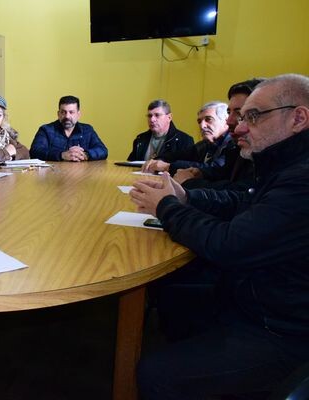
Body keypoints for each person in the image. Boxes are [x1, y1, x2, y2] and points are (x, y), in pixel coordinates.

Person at [130, 73, 309, 399]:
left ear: (298, 118)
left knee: (154, 374)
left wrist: (167, 207)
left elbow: (229, 244)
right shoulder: (285, 164)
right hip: (259, 298)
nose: (238, 127)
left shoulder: (301, 179)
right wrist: (187, 197)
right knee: (172, 296)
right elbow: (242, 202)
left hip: (282, 331)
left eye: (253, 116)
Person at [174, 79, 264, 190]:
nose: (229, 121)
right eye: (229, 112)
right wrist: (201, 173)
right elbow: (224, 173)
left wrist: (189, 182)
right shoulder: (233, 146)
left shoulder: (235, 145)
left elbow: (240, 192)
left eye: (239, 113)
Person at [142, 101, 234, 175]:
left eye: (208, 119)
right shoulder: (204, 144)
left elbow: (213, 169)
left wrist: (167, 166)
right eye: (199, 121)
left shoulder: (233, 144)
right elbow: (178, 155)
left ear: (226, 121)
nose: (202, 126)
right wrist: (159, 160)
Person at [30, 95, 108, 162]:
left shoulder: (87, 130)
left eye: (71, 112)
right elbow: (35, 152)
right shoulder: (46, 130)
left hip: (82, 173)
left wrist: (85, 155)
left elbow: (103, 150)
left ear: (78, 114)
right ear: (58, 114)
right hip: (54, 174)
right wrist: (62, 155)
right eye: (63, 112)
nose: (67, 116)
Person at [127, 99, 193, 161]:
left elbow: (188, 166)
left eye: (157, 115)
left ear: (169, 117)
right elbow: (130, 164)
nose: (152, 120)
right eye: (149, 116)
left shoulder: (184, 141)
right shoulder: (140, 139)